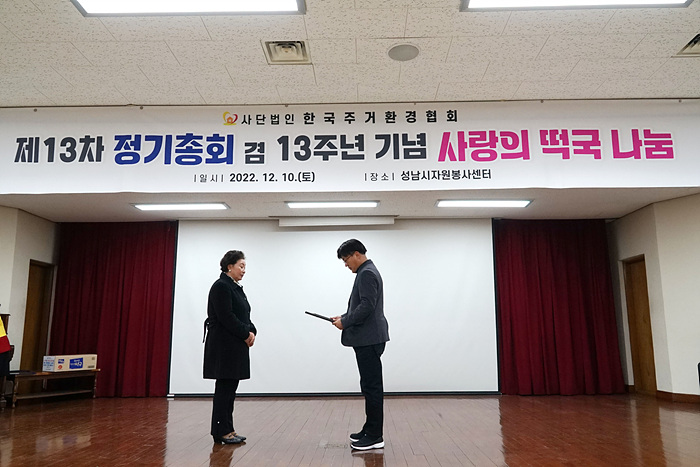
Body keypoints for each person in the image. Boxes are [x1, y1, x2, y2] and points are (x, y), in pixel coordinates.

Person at [331, 239, 390, 451]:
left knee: (372, 387)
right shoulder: (367, 271)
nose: (346, 264)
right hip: (369, 337)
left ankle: (375, 436)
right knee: (368, 385)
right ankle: (369, 429)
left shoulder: (366, 273)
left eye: (346, 259)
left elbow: (367, 307)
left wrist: (345, 322)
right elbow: (364, 306)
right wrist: (344, 316)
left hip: (369, 338)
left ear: (357, 254)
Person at [203, 250, 257, 445]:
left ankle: (228, 429)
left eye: (245, 267)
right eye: (241, 266)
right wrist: (246, 333)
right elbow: (227, 317)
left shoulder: (234, 287)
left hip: (234, 346)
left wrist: (252, 330)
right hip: (224, 347)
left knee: (230, 390)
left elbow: (244, 314)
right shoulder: (221, 286)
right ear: (229, 266)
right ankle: (220, 431)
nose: (244, 270)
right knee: (224, 390)